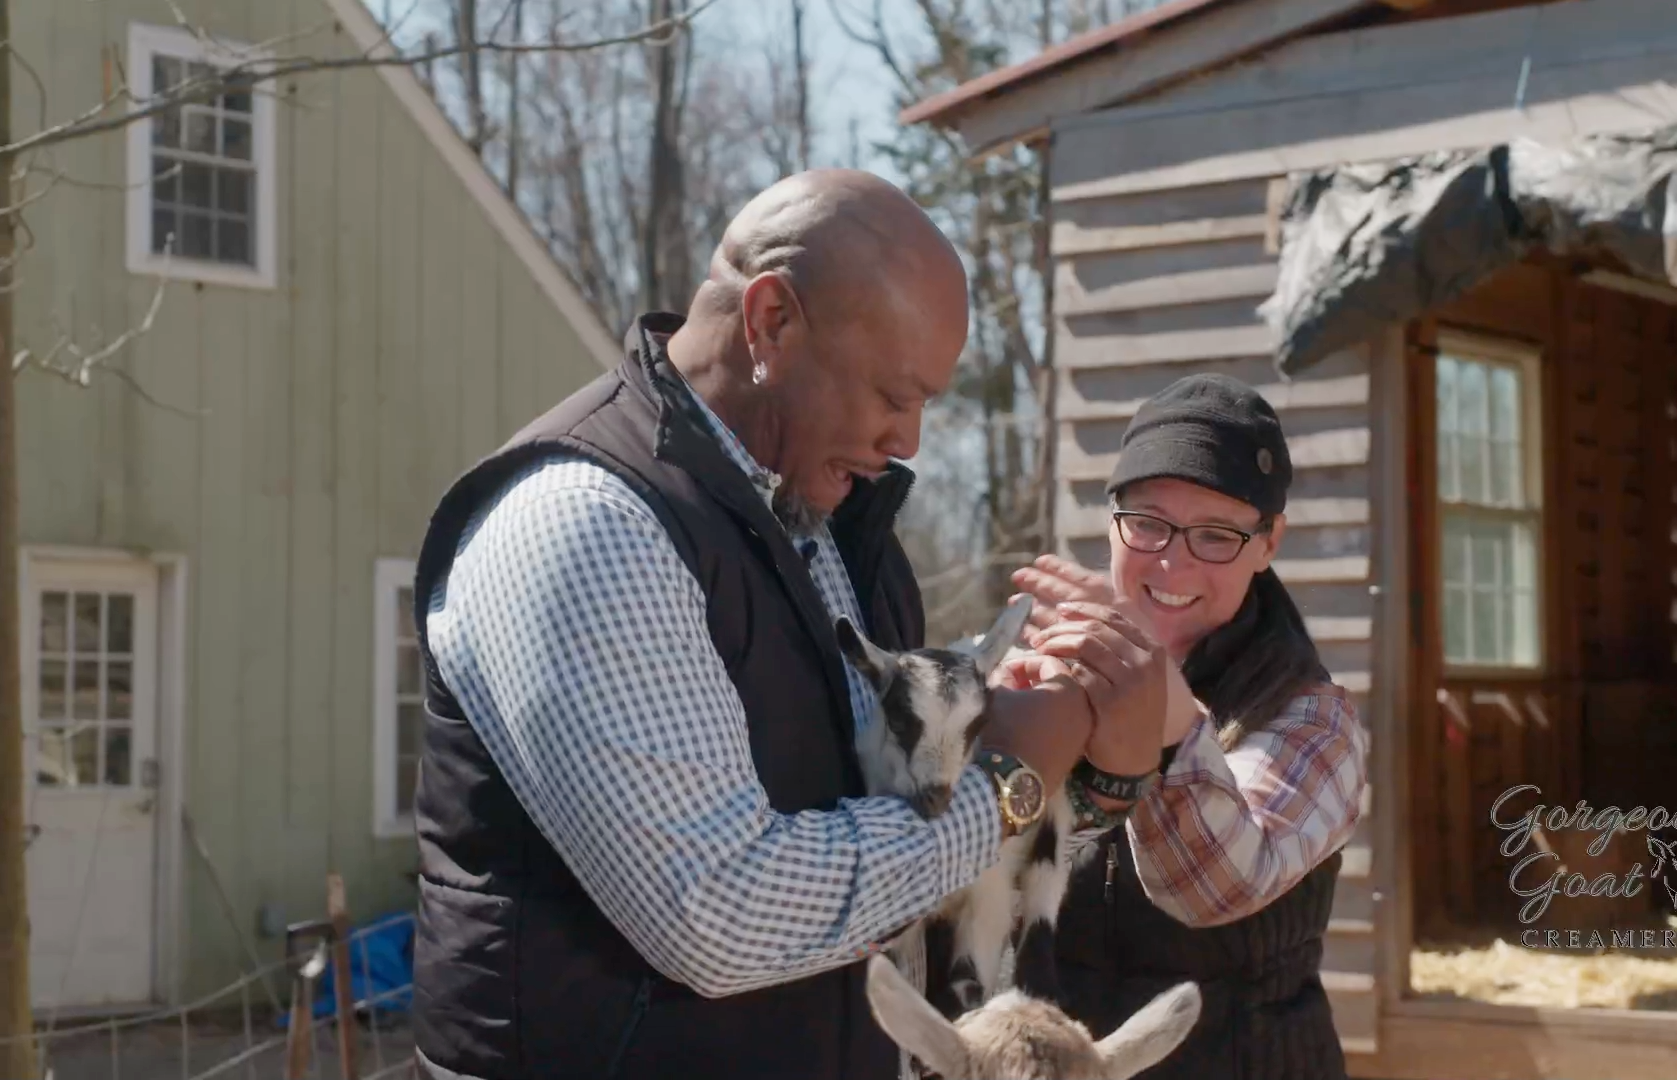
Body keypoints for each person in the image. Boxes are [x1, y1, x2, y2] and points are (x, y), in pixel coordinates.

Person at [405, 169, 1167, 1080]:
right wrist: (1005, 784)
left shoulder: (836, 531)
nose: (911, 441)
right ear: (771, 323)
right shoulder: (588, 524)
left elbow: (895, 869)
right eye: (894, 395)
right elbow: (716, 913)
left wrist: (1093, 779)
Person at [999, 373, 1371, 1080]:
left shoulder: (1313, 720)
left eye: (1216, 535)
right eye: (1148, 523)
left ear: (1268, 543)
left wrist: (1164, 717)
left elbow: (1217, 891)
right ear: (1113, 520)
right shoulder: (1049, 671)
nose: (1173, 561)